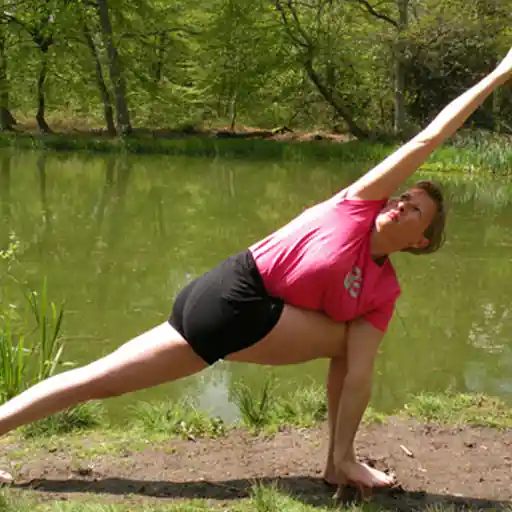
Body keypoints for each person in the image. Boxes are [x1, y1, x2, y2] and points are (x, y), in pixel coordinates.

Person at [0, 49, 511, 490]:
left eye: (415, 210)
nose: (402, 204)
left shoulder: (383, 289)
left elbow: (359, 378)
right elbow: (428, 139)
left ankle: (340, 460)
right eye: (406, 196)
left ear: (420, 241)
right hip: (229, 295)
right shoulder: (354, 205)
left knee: (100, 380)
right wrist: (499, 75)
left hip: (239, 312)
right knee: (350, 343)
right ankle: (341, 463)